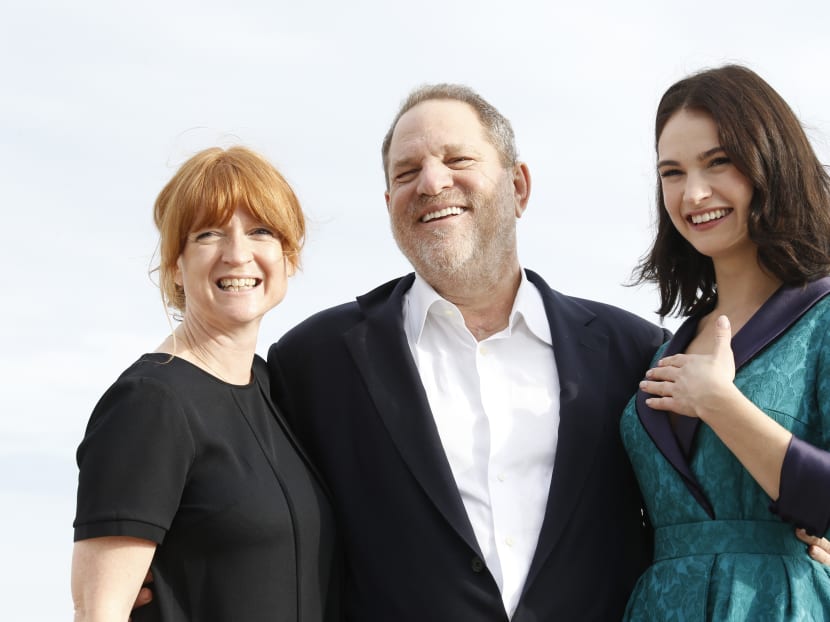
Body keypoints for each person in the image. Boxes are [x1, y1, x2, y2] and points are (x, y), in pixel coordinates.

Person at [266, 84, 668, 621]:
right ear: (390, 207)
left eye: (458, 159)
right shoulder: (312, 362)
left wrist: (810, 541)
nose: (432, 183)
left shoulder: (636, 352)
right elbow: (251, 504)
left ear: (519, 186)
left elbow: (700, 512)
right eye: (406, 173)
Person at [71, 147, 339, 621]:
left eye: (260, 231)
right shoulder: (150, 403)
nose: (238, 254)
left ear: (288, 257)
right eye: (209, 234)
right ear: (176, 263)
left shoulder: (277, 392)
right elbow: (99, 612)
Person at [621, 64, 830, 620]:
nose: (693, 193)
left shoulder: (825, 319)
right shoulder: (667, 346)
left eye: (719, 162)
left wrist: (718, 402)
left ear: (772, 163)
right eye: (672, 172)